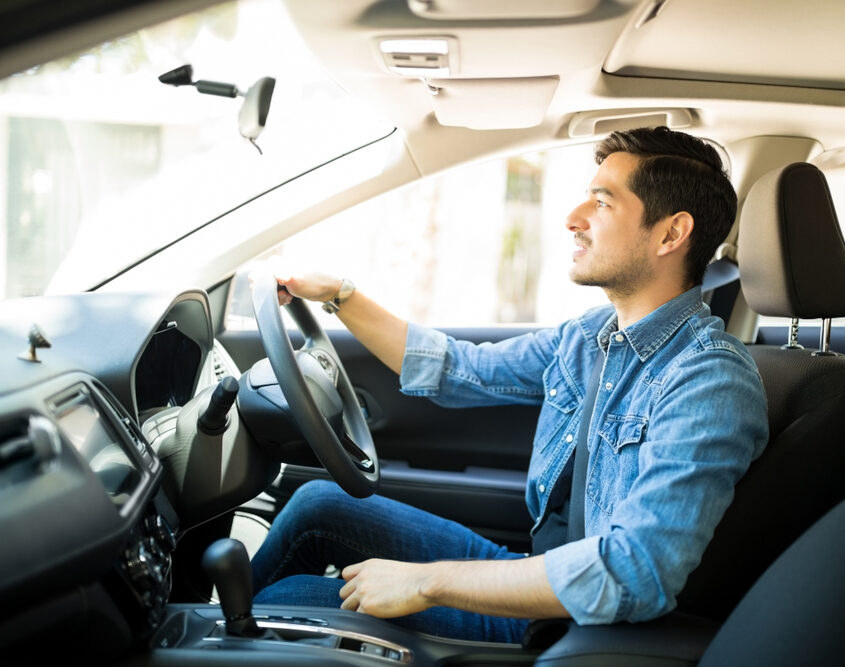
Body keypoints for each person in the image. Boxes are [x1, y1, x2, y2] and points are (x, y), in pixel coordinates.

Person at [249, 126, 769, 643]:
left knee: (289, 601)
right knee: (319, 504)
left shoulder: (709, 379)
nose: (573, 219)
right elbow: (458, 370)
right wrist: (340, 295)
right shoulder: (591, 337)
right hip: (538, 565)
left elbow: (633, 572)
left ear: (671, 234)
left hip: (567, 624)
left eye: (603, 203)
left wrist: (429, 583)